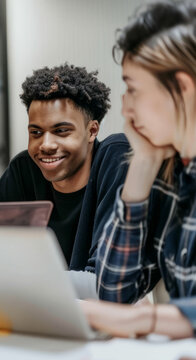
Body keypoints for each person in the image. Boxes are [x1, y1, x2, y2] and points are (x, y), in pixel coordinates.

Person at [85, 1, 196, 339]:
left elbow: (122, 315)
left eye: (132, 88)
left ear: (181, 87)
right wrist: (143, 165)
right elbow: (113, 293)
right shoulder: (171, 172)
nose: (125, 105)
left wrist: (143, 321)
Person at [0, 64, 130, 297]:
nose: (46, 144)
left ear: (92, 131)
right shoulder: (23, 170)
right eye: (35, 132)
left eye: (61, 131)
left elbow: (105, 283)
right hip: (41, 313)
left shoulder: (116, 158)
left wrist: (15, 280)